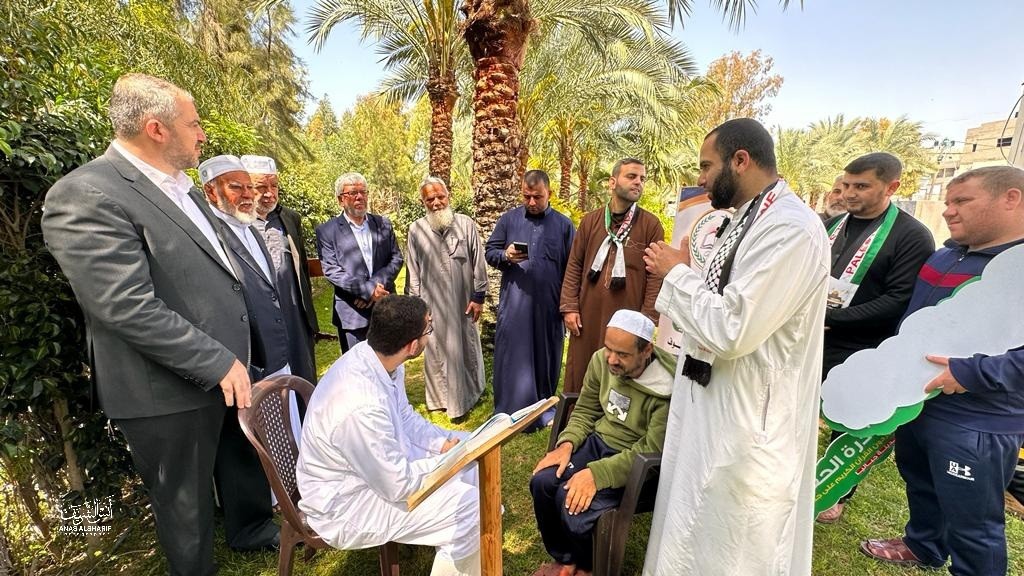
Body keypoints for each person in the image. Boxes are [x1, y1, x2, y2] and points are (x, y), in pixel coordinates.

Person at [40, 73, 258, 575]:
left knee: (233, 470)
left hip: (223, 374)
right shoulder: (85, 193)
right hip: (163, 391)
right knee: (185, 512)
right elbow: (124, 305)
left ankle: (249, 534)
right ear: (156, 129)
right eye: (194, 124)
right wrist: (215, 360)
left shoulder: (185, 190)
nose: (203, 134)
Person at [641, 118, 829, 576]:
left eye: (707, 166)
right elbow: (726, 294)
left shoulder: (790, 229)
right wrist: (689, 268)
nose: (701, 178)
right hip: (713, 401)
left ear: (740, 160)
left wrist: (674, 273)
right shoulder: (749, 216)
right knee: (693, 525)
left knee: (732, 542)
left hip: (749, 418)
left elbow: (733, 327)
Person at [860, 166, 1024, 575]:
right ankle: (924, 545)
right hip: (919, 400)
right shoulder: (946, 254)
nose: (948, 210)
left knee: (974, 521)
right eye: (948, 202)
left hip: (976, 418)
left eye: (962, 201)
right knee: (921, 482)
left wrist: (970, 374)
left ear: (1011, 198)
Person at [296, 295, 480, 576]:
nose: (430, 334)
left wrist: (444, 445)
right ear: (411, 346)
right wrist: (449, 461)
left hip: (374, 472)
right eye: (428, 329)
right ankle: (464, 542)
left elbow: (405, 418)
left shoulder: (381, 358)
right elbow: (397, 485)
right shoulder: (361, 406)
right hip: (346, 505)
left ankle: (466, 550)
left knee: (473, 451)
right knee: (469, 507)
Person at [816, 152, 935, 523]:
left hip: (863, 345)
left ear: (891, 187)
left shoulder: (911, 236)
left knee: (849, 420)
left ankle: (837, 493)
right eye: (847, 185)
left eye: (862, 186)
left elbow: (898, 299)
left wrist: (835, 319)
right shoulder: (832, 225)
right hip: (816, 337)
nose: (849, 193)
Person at [529, 310, 673, 576]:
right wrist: (566, 444)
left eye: (623, 354)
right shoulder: (600, 360)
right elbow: (586, 410)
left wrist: (597, 474)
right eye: (609, 349)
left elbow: (652, 448)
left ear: (646, 350)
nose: (612, 360)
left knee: (572, 506)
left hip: (636, 464)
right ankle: (566, 558)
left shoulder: (666, 388)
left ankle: (588, 567)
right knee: (543, 482)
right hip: (598, 442)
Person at [198, 155, 285, 550]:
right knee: (242, 440)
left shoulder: (251, 227)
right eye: (237, 187)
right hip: (239, 354)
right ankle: (250, 526)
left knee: (274, 426)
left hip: (272, 348)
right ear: (210, 191)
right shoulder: (210, 234)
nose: (248, 194)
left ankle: (279, 498)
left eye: (249, 186)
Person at [559, 158, 664, 394]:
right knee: (582, 371)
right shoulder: (591, 221)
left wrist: (647, 319)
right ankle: (577, 415)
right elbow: (574, 265)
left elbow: (656, 276)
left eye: (642, 178)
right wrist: (569, 307)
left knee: (620, 378)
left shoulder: (650, 225)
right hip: (587, 315)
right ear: (612, 182)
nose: (638, 182)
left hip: (628, 318)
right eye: (632, 176)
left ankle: (614, 419)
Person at [485, 170, 575, 428]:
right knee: (512, 356)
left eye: (538, 197)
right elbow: (490, 252)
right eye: (527, 197)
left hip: (549, 307)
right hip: (515, 304)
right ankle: (508, 410)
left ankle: (543, 410)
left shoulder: (564, 226)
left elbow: (573, 268)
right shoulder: (509, 220)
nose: (532, 202)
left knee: (546, 357)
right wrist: (505, 255)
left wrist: (568, 305)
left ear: (549, 194)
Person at [406, 177, 488, 418]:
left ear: (448, 195)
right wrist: (417, 308)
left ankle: (470, 394)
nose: (436, 203)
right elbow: (413, 271)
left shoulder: (465, 224)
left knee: (466, 346)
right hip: (432, 306)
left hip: (464, 303)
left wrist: (478, 296)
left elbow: (478, 262)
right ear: (423, 202)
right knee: (436, 350)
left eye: (440, 196)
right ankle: (440, 399)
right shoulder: (416, 230)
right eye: (430, 199)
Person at [242, 154, 318, 382]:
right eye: (261, 187)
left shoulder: (289, 218)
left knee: (303, 375)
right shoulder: (237, 223)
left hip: (295, 316)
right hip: (260, 320)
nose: (269, 193)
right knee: (270, 382)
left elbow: (302, 269)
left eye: (274, 186)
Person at [315, 172, 404, 353]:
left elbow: (396, 258)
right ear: (340, 200)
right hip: (353, 313)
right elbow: (332, 270)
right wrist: (367, 291)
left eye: (363, 192)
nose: (359, 197)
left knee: (390, 364)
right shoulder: (327, 231)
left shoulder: (383, 224)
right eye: (353, 193)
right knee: (357, 366)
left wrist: (373, 288)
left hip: (386, 309)